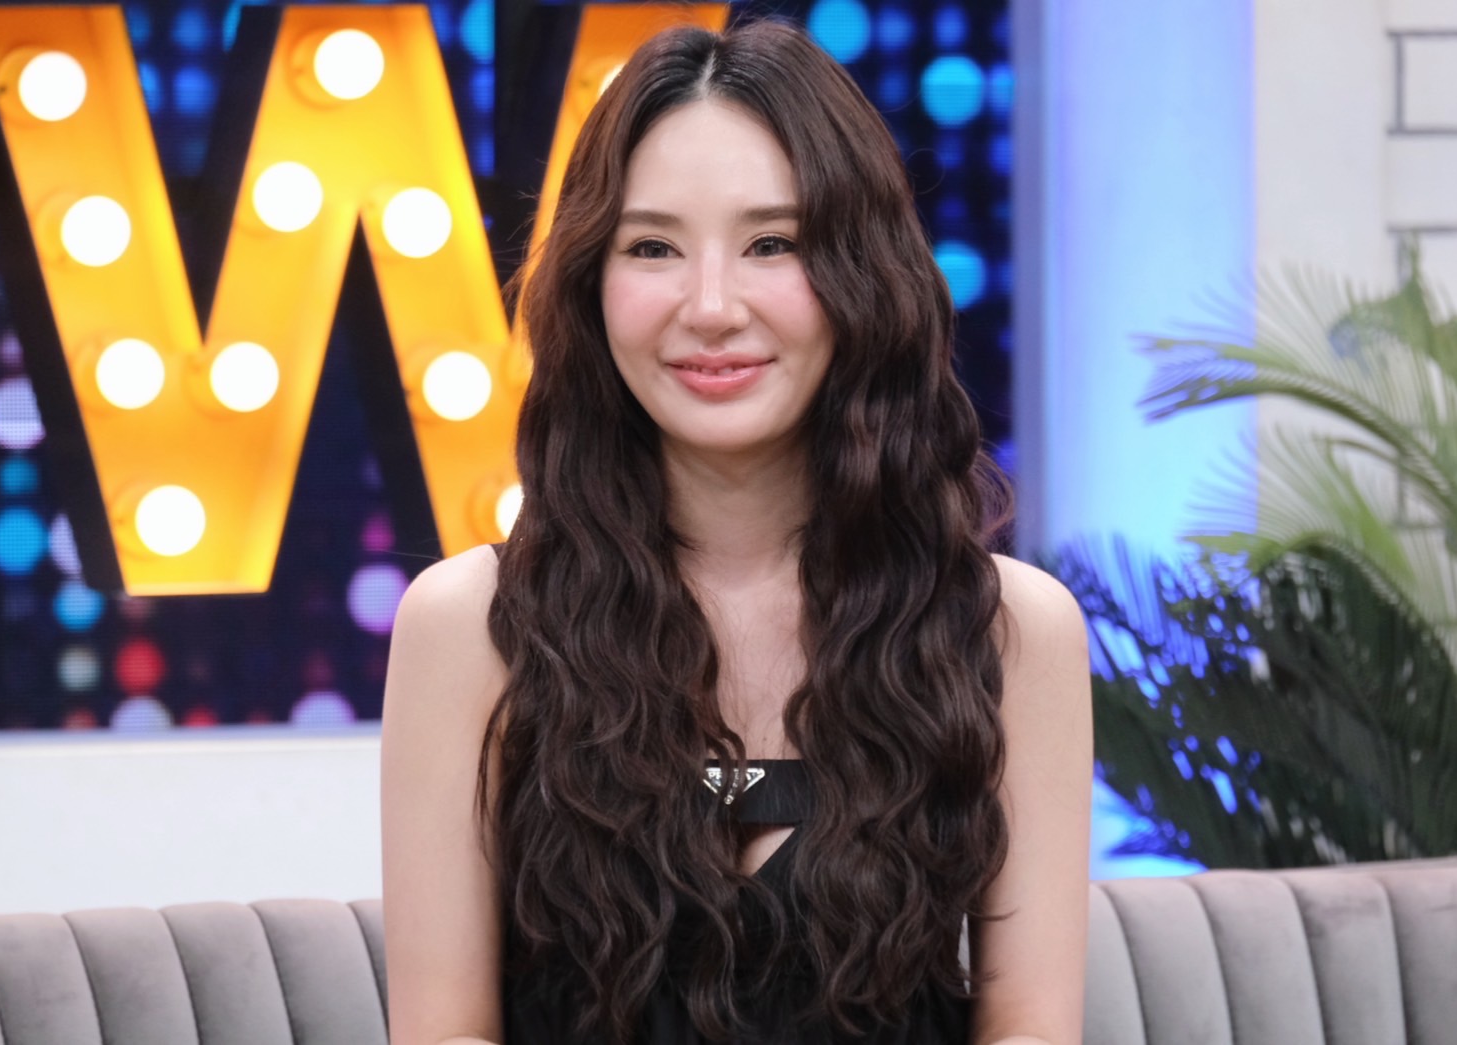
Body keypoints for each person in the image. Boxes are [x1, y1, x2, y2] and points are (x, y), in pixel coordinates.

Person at [381, 18, 1091, 1045]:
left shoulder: (1009, 632)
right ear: (590, 284)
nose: (711, 307)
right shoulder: (467, 628)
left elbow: (1030, 1028)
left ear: (863, 274)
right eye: (652, 247)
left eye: (772, 244)